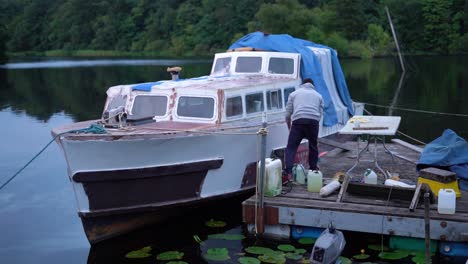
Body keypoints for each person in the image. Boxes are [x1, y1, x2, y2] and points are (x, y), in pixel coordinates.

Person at [283, 78, 324, 184]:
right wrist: (313, 124)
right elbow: (320, 114)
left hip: (298, 121)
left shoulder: (293, 94)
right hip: (313, 122)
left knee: (291, 148)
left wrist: (289, 127)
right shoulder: (318, 96)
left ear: (302, 84)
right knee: (313, 146)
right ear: (312, 85)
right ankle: (313, 170)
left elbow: (288, 114)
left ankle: (288, 173)